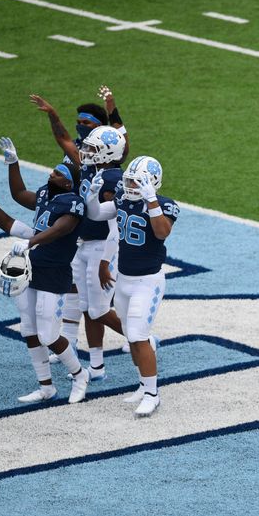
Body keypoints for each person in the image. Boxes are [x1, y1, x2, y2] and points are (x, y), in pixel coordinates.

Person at [30, 86, 132, 354]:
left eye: (86, 124)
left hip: (102, 240)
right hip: (80, 235)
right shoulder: (86, 161)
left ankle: (141, 338)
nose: (80, 131)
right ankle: (74, 344)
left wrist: (112, 110)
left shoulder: (110, 173)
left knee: (96, 307)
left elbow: (122, 145)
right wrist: (52, 114)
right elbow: (64, 138)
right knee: (76, 295)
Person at [0, 137, 90, 403]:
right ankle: (46, 386)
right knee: (28, 328)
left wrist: (31, 241)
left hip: (55, 272)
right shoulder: (45, 194)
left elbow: (63, 227)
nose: (52, 172)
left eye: (58, 173)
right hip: (33, 268)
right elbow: (18, 194)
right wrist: (13, 163)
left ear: (68, 183)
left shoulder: (74, 202)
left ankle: (79, 374)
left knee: (48, 333)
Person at [85, 156, 179, 417]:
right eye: (129, 179)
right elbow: (96, 214)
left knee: (138, 334)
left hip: (148, 281)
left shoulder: (165, 204)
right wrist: (92, 197)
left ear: (152, 183)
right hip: (124, 280)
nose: (130, 185)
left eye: (136, 181)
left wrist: (151, 201)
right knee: (132, 335)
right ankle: (143, 385)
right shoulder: (123, 199)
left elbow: (162, 232)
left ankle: (153, 394)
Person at [69, 126, 127, 380]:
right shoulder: (90, 169)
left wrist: (105, 261)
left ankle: (143, 337)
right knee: (86, 307)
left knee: (100, 310)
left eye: (92, 148)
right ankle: (96, 366)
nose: (86, 151)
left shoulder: (114, 179)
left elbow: (114, 224)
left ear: (107, 152)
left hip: (102, 247)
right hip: (83, 245)